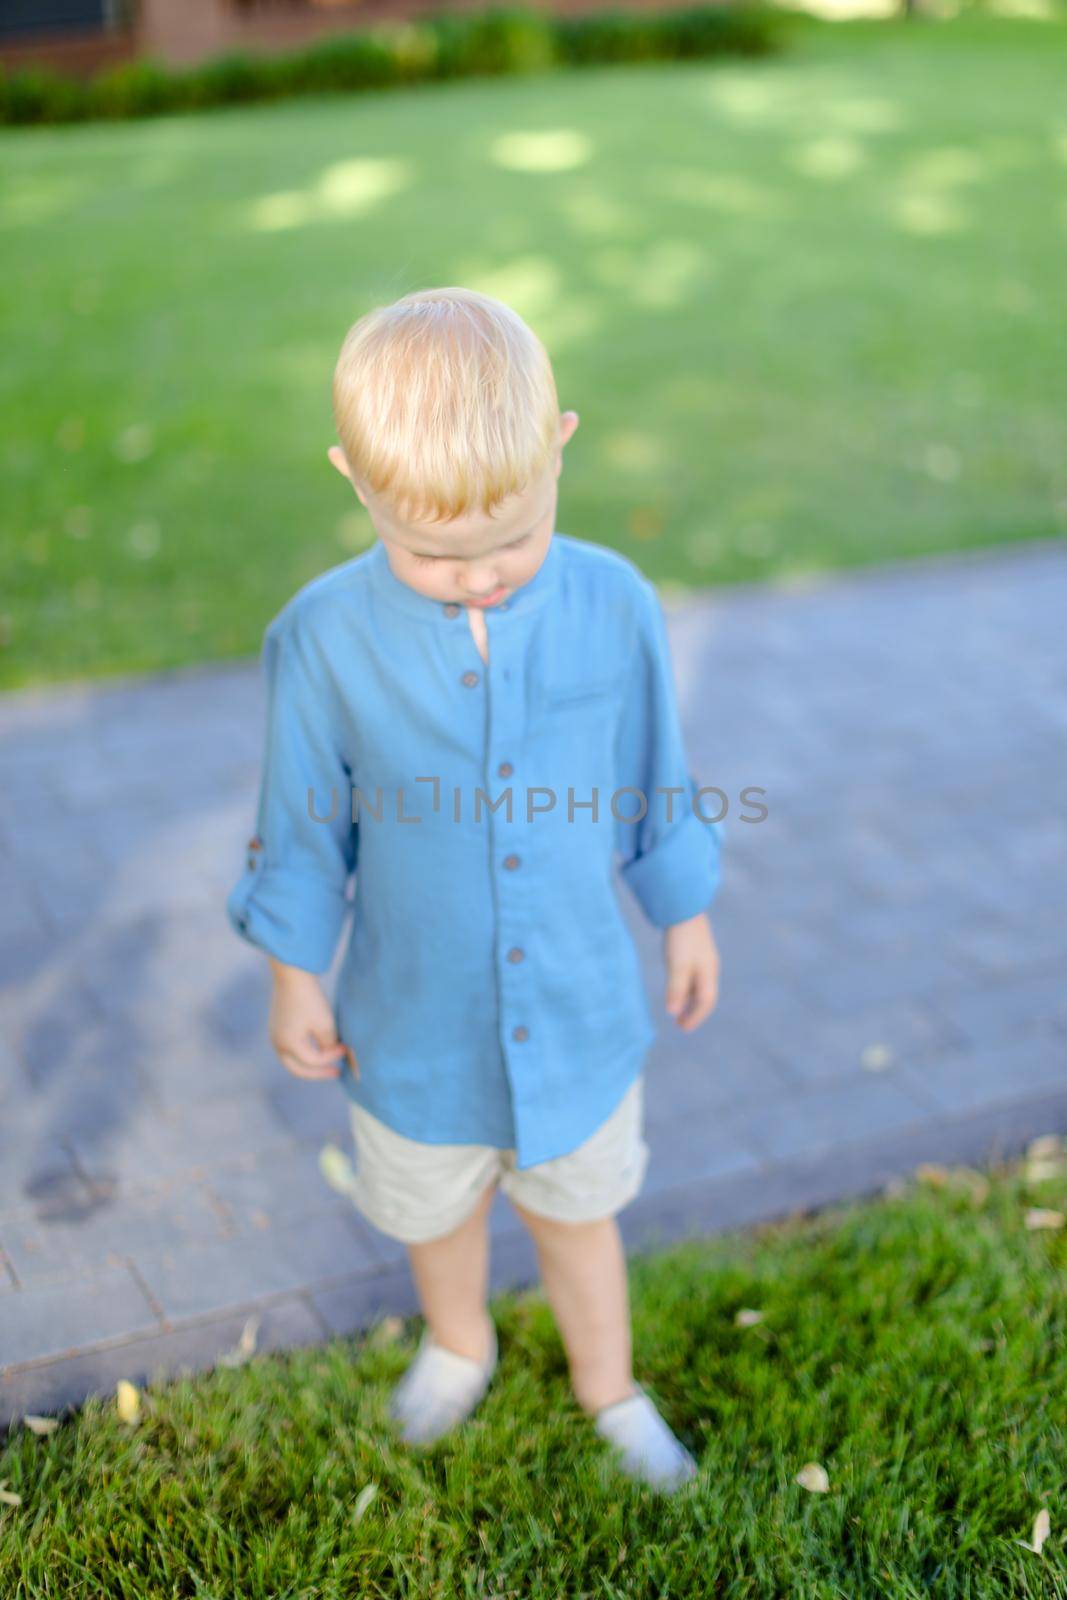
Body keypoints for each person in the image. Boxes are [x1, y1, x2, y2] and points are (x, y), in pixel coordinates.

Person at [227, 287, 723, 1492]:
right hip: (410, 1023)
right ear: (355, 478)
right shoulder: (320, 639)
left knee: (575, 1211)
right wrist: (295, 974)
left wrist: (684, 912)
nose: (480, 577)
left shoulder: (613, 604)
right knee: (434, 1212)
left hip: (574, 1007)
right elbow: (299, 826)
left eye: (509, 540)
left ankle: (608, 1386)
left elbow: (656, 772)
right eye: (434, 555)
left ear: (555, 444)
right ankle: (459, 1340)